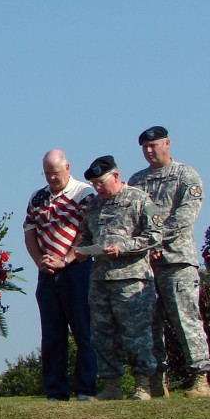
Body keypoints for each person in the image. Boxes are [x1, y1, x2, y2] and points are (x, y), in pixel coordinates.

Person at [128, 126, 210, 397]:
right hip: (146, 265)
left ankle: (200, 378)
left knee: (185, 318)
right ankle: (157, 380)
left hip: (177, 261)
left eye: (154, 145)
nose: (150, 151)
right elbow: (129, 217)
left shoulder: (185, 175)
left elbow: (186, 214)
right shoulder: (137, 181)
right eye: (145, 147)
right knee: (150, 324)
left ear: (167, 143)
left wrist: (155, 241)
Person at [74, 155, 163, 401]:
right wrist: (82, 251)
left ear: (115, 175)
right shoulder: (94, 205)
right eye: (94, 184)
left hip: (132, 279)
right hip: (100, 280)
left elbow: (155, 235)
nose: (98, 187)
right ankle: (111, 386)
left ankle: (142, 385)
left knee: (136, 334)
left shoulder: (138, 199)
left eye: (101, 182)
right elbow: (85, 235)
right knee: (101, 335)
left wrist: (123, 247)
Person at [23, 149, 97, 401]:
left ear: (67, 167)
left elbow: (86, 231)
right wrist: (39, 261)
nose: (51, 179)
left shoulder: (84, 193)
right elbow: (29, 232)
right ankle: (56, 390)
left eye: (55, 173)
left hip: (77, 268)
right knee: (52, 333)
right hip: (47, 271)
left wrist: (66, 259)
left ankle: (86, 388)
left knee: (83, 330)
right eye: (47, 174)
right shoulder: (38, 197)